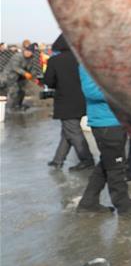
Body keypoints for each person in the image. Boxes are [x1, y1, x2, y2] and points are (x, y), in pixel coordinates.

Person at [76, 65, 131, 218]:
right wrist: (123, 91)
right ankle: (123, 205)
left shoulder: (106, 60)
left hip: (118, 121)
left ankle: (88, 203)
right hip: (105, 122)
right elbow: (91, 91)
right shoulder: (87, 62)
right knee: (116, 166)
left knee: (108, 161)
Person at [43, 34, 94, 170]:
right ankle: (58, 159)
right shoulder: (81, 60)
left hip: (65, 101)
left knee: (73, 131)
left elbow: (49, 81)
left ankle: (87, 159)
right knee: (68, 131)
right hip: (81, 99)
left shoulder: (54, 60)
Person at [3, 44, 37, 112]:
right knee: (14, 91)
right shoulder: (17, 56)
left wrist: (33, 76)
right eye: (27, 51)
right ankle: (10, 108)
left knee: (22, 90)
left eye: (30, 52)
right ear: (24, 50)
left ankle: (18, 105)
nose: (28, 53)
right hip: (10, 76)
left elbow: (31, 68)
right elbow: (15, 67)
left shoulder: (31, 58)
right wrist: (25, 73)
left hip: (20, 77)